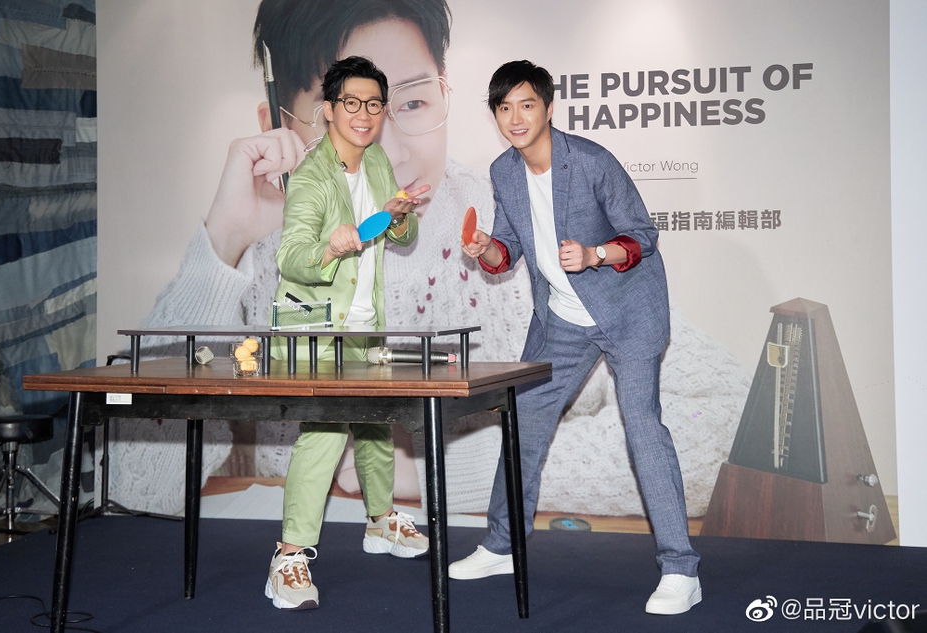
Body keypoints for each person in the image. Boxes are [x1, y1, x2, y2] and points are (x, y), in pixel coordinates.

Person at [111, 0, 749, 535]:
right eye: (348, 113)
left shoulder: (511, 215)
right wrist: (222, 244)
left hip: (475, 556)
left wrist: (447, 472)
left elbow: (720, 421)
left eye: (412, 104)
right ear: (280, 123)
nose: (386, 148)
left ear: (445, 90)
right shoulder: (261, 255)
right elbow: (133, 482)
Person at [452, 60, 702, 616]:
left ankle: (681, 569)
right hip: (562, 319)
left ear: (547, 107)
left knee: (643, 427)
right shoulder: (503, 171)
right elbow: (507, 252)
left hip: (628, 312)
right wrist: (485, 247)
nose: (516, 118)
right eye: (504, 108)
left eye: (526, 105)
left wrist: (595, 254)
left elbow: (642, 236)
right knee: (522, 422)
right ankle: (503, 546)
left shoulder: (589, 160)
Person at [264, 56, 431, 611]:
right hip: (316, 330)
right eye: (352, 103)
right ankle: (288, 557)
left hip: (362, 325)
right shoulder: (312, 176)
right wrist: (330, 248)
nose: (364, 114)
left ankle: (381, 521)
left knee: (376, 421)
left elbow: (398, 234)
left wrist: (399, 214)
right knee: (327, 430)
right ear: (330, 109)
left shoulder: (376, 158)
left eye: (374, 104)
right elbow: (290, 258)